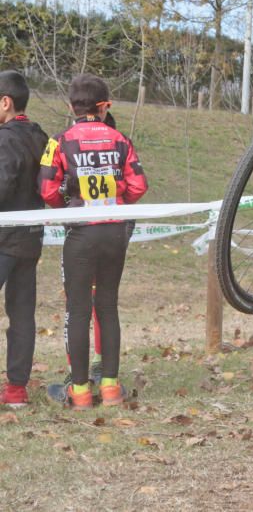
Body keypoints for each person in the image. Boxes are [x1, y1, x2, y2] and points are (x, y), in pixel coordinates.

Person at [38, 74, 147, 409]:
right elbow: (138, 185)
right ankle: (112, 389)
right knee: (108, 306)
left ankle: (81, 392)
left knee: (78, 309)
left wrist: (66, 207)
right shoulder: (121, 139)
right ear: (104, 107)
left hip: (81, 231)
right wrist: (118, 200)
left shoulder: (59, 141)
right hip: (115, 231)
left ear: (71, 106)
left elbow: (46, 189)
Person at [0, 72, 49, 408]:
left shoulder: (5, 138)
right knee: (21, 314)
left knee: (20, 314)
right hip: (32, 239)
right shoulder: (41, 136)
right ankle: (17, 392)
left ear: (6, 102)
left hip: (4, 240)